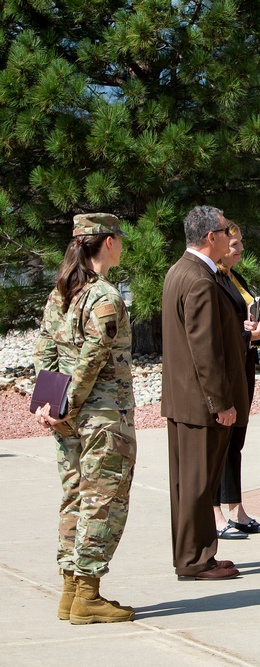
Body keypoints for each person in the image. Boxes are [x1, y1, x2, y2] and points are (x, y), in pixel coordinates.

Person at [33, 213, 135, 624]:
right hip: (102, 418)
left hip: (68, 419)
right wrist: (68, 406)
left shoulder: (61, 293)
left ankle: (70, 591)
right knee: (103, 503)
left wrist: (49, 405)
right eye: (119, 239)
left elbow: (45, 353)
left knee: (75, 498)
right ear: (107, 242)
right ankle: (88, 595)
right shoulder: (104, 296)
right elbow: (93, 360)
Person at [161, 206, 249, 580]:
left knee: (188, 485)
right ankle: (195, 561)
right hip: (201, 403)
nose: (231, 236)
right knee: (197, 485)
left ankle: (195, 555)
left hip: (185, 400)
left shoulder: (181, 270)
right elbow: (205, 349)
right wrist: (221, 403)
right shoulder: (199, 279)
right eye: (226, 230)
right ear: (210, 237)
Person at [212, 221, 260, 539]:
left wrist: (257, 334)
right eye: (235, 244)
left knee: (236, 441)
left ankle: (236, 509)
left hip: (244, 364)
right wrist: (246, 335)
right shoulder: (210, 280)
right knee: (219, 443)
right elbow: (212, 333)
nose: (240, 249)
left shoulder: (235, 277)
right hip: (224, 370)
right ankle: (215, 514)